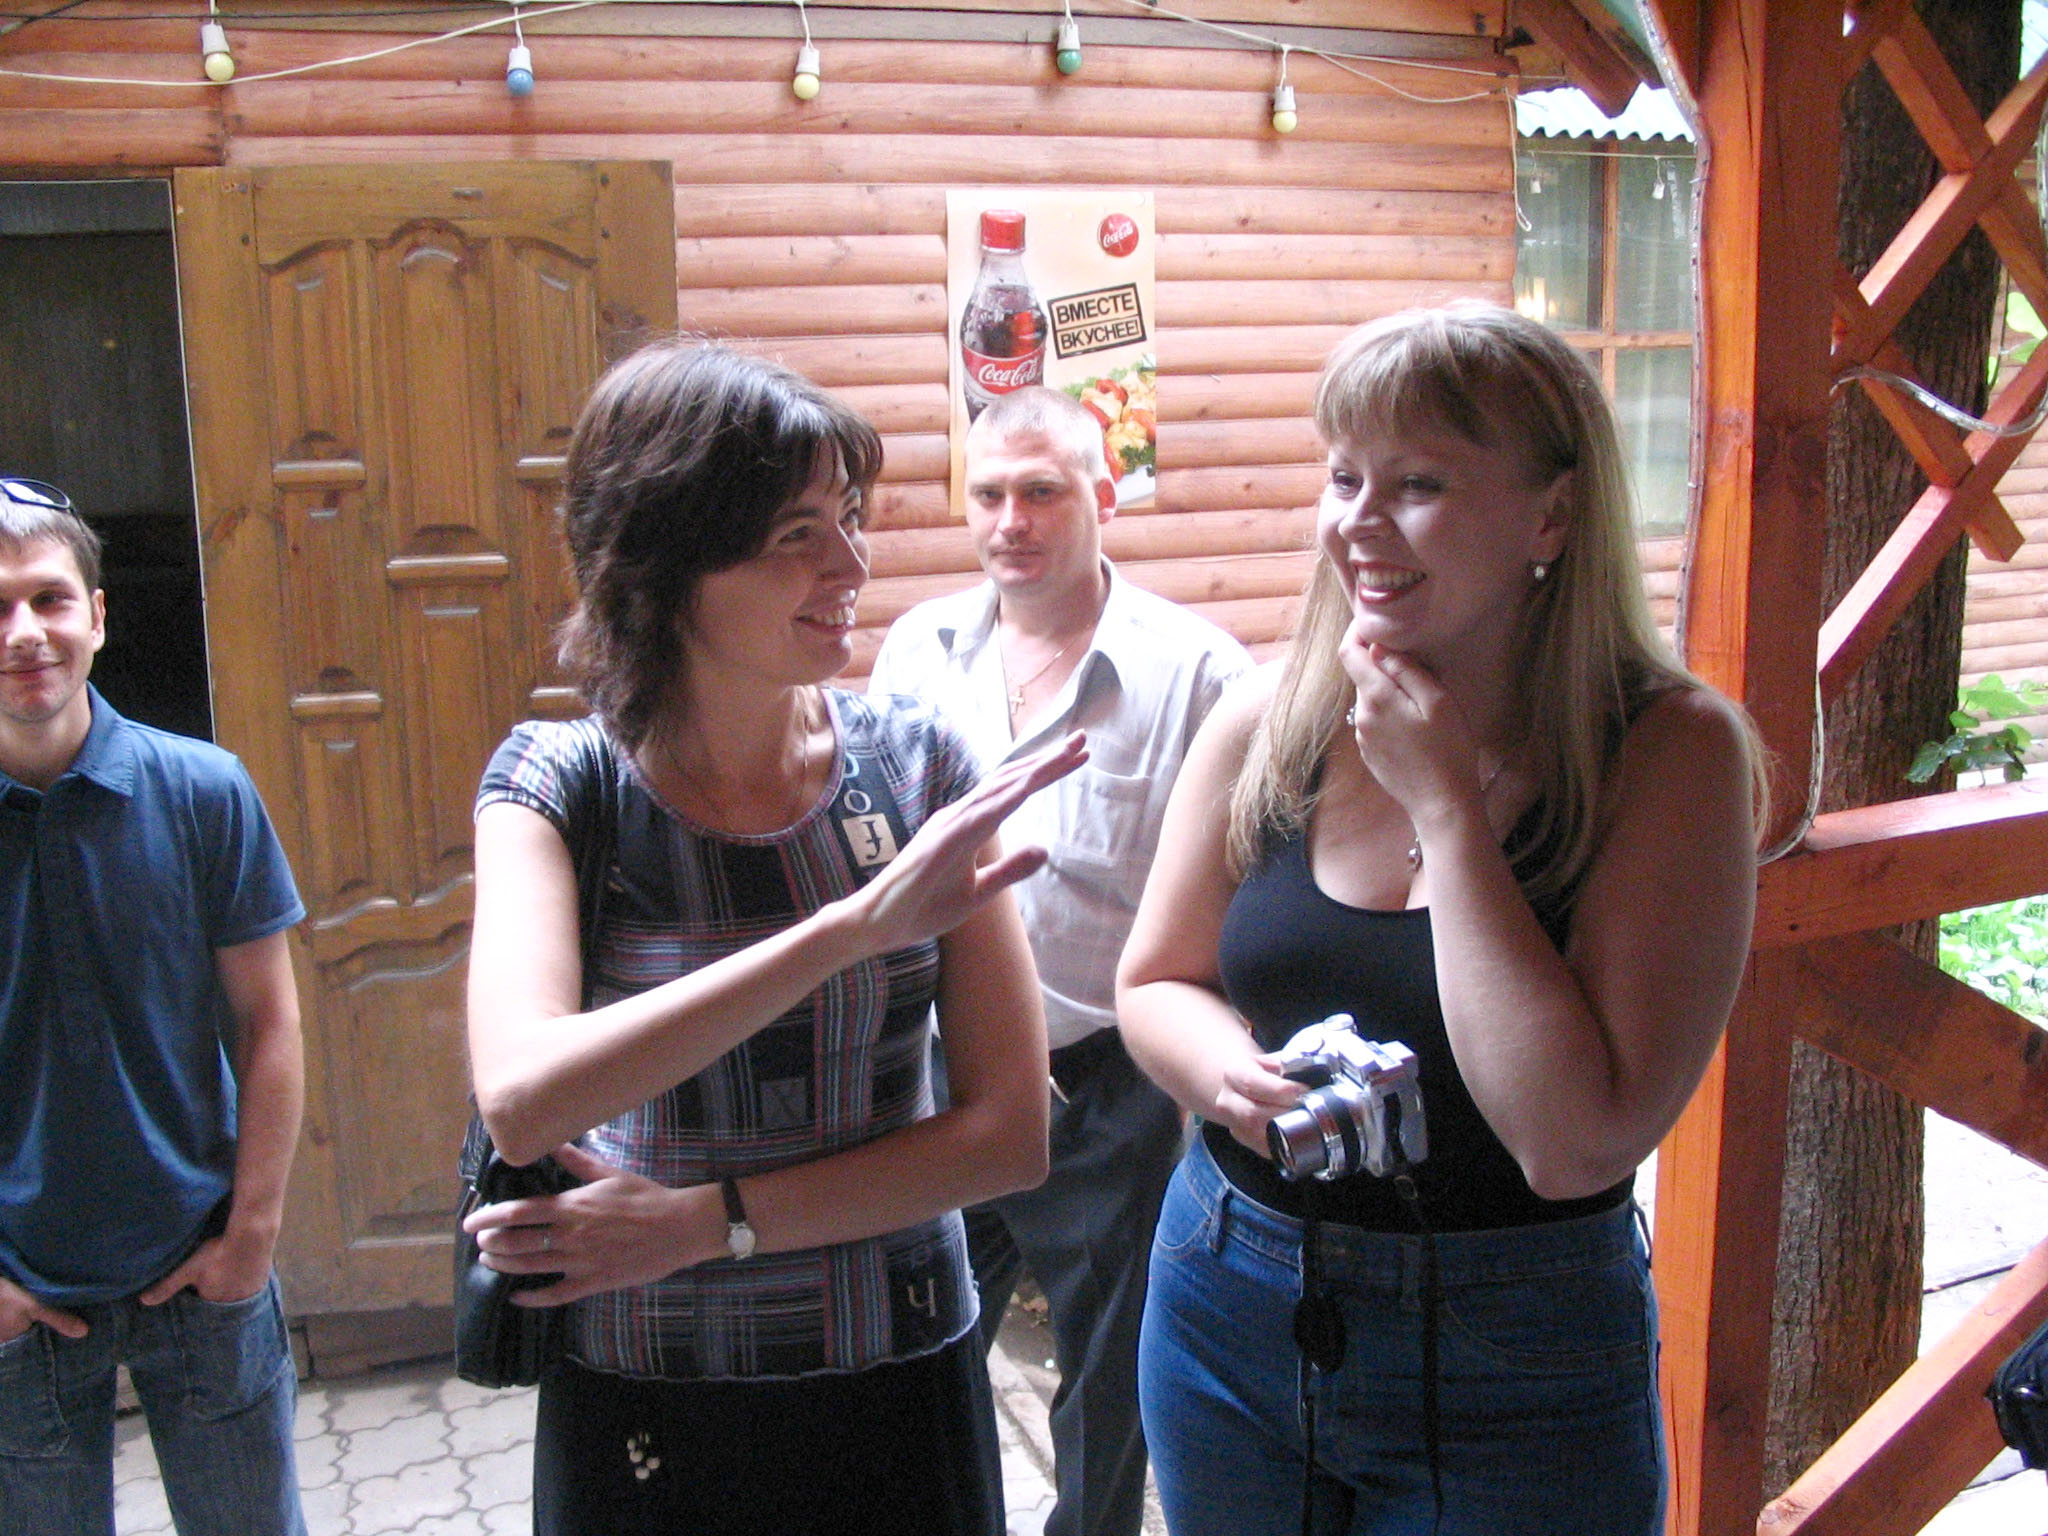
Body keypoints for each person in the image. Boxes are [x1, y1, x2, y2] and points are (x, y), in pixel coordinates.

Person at [1115, 303, 1764, 1536]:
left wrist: (1448, 813)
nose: (1356, 521)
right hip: (1227, 1293)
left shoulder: (1668, 754)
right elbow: (1153, 981)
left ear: (1550, 518)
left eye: (1415, 483)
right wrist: (1231, 1081)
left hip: (1515, 1351)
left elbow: (1572, 1145)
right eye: (1341, 477)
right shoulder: (1269, 722)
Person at [461, 343, 1086, 1536]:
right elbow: (523, 1099)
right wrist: (849, 931)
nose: (849, 564)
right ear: (663, 556)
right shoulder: (559, 783)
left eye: (848, 518)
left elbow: (1010, 1138)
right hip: (648, 1391)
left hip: (897, 1372)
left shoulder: (916, 764)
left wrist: (706, 1223)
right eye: (796, 533)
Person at [870, 386, 1250, 1536]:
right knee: (916, 1352)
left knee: (1109, 1380)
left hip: (1104, 1091)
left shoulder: (1196, 674)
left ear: (1102, 494)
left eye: (1040, 491)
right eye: (987, 493)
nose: (1009, 521)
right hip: (936, 1079)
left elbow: (1235, 893)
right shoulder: (916, 651)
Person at [0, 478, 308, 1536]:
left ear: (96, 615)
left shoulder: (203, 792)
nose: (25, 632)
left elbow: (270, 1024)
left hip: (201, 1270)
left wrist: (249, 1242)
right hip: (18, 1297)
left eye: (49, 598)